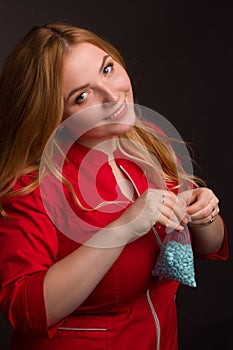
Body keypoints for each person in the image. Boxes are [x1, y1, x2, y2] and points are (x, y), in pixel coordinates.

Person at [0, 23, 228, 350]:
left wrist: (204, 215)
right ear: (52, 114)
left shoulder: (148, 140)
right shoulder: (29, 185)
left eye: (107, 69)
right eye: (81, 96)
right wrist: (121, 229)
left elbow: (209, 246)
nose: (112, 95)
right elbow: (27, 311)